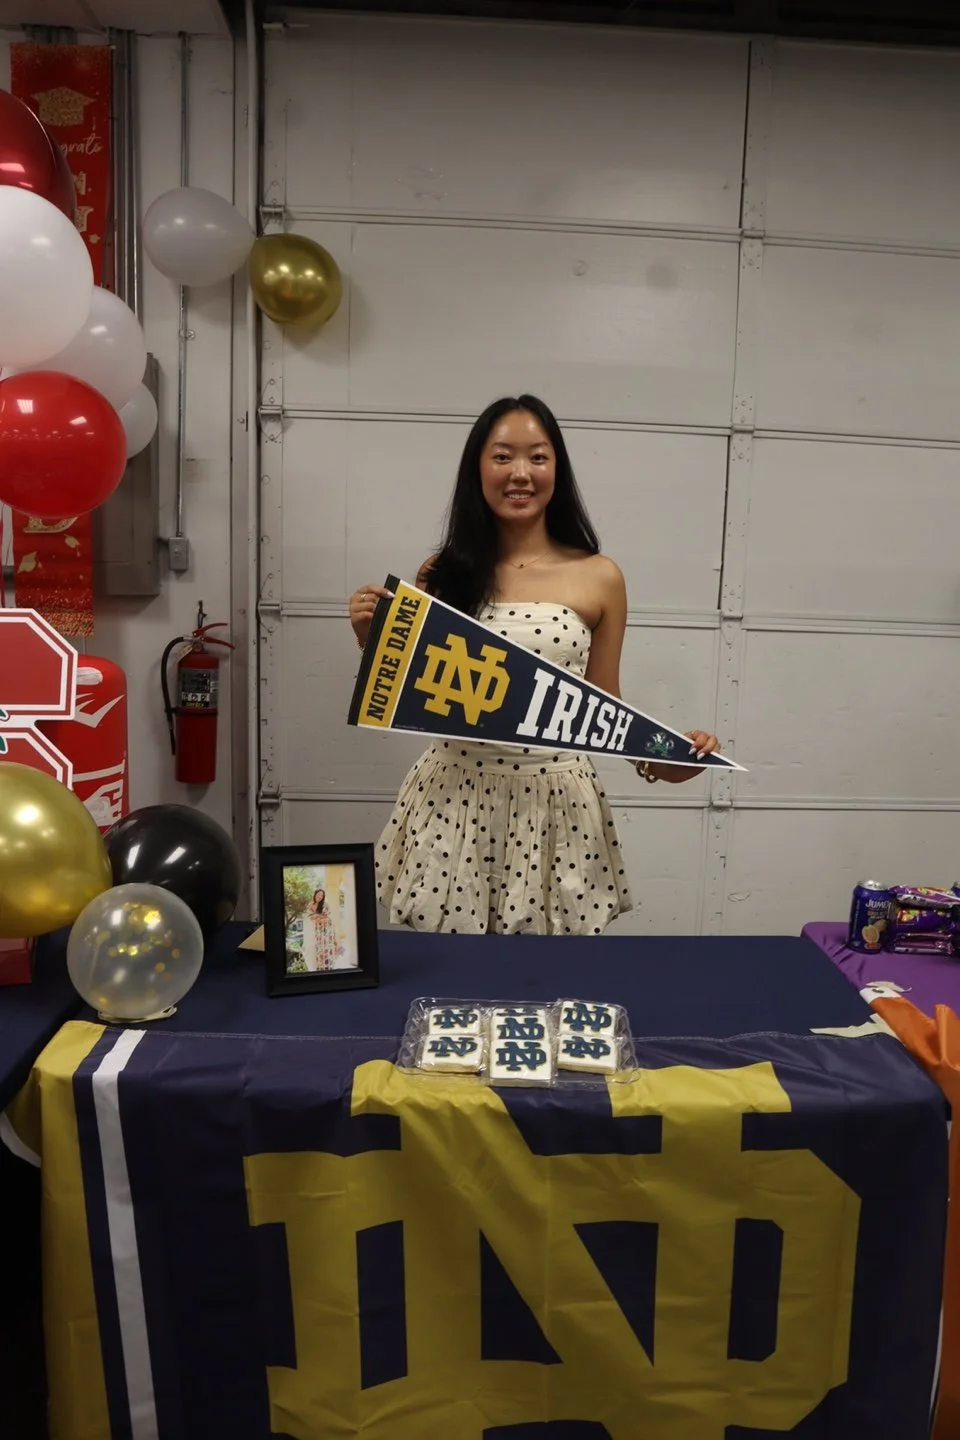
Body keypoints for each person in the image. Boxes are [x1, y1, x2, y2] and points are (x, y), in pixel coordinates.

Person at [349, 394, 720, 936]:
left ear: (557, 470)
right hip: (455, 793)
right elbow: (417, 686)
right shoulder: (443, 570)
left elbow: (604, 706)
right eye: (502, 456)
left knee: (546, 986)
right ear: (477, 467)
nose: (520, 473)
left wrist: (668, 760)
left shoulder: (600, 576)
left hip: (556, 804)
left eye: (537, 457)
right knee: (449, 981)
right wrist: (370, 639)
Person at [301, 888, 339, 970]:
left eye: (322, 895)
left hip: (327, 928)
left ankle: (328, 965)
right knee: (318, 946)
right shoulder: (310, 905)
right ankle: (320, 965)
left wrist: (316, 916)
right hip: (316, 929)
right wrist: (318, 916)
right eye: (318, 894)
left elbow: (326, 915)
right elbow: (310, 917)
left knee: (327, 946)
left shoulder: (325, 904)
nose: (320, 896)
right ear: (315, 894)